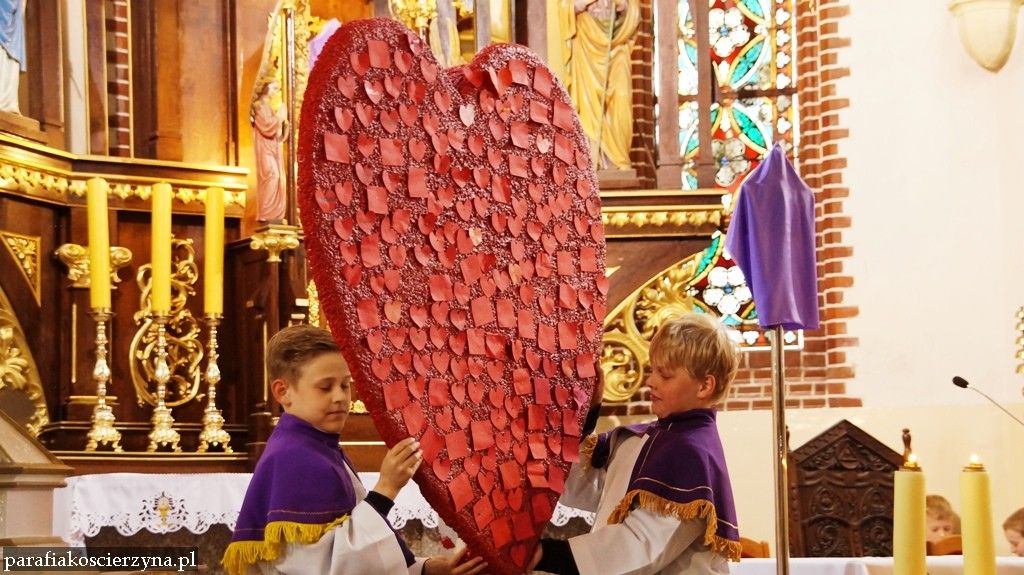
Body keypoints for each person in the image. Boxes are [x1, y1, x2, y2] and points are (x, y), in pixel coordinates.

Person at [222, 324, 486, 575]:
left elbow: (349, 550)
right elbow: (325, 568)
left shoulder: (317, 446)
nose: (340, 397)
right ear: (283, 392)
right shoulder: (295, 458)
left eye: (345, 385)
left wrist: (421, 569)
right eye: (325, 387)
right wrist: (386, 489)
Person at [531, 313, 741, 574]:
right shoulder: (641, 439)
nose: (651, 381)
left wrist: (549, 555)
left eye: (665, 375)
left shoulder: (691, 454)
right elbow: (580, 488)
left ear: (704, 386)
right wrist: (587, 413)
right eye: (653, 370)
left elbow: (641, 548)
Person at [559, 0, 639, 171]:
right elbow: (560, 10)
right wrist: (579, 5)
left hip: (617, 43)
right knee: (588, 104)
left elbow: (633, 11)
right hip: (586, 42)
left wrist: (625, 8)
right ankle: (593, 159)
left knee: (622, 98)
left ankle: (618, 159)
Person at [250, 80, 287, 223]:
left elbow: (276, 133)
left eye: (277, 89)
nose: (276, 92)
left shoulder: (268, 106)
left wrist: (283, 126)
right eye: (274, 88)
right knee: (272, 175)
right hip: (264, 149)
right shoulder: (259, 106)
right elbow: (267, 126)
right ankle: (266, 212)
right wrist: (280, 117)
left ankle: (273, 214)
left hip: (272, 148)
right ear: (265, 87)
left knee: (277, 177)